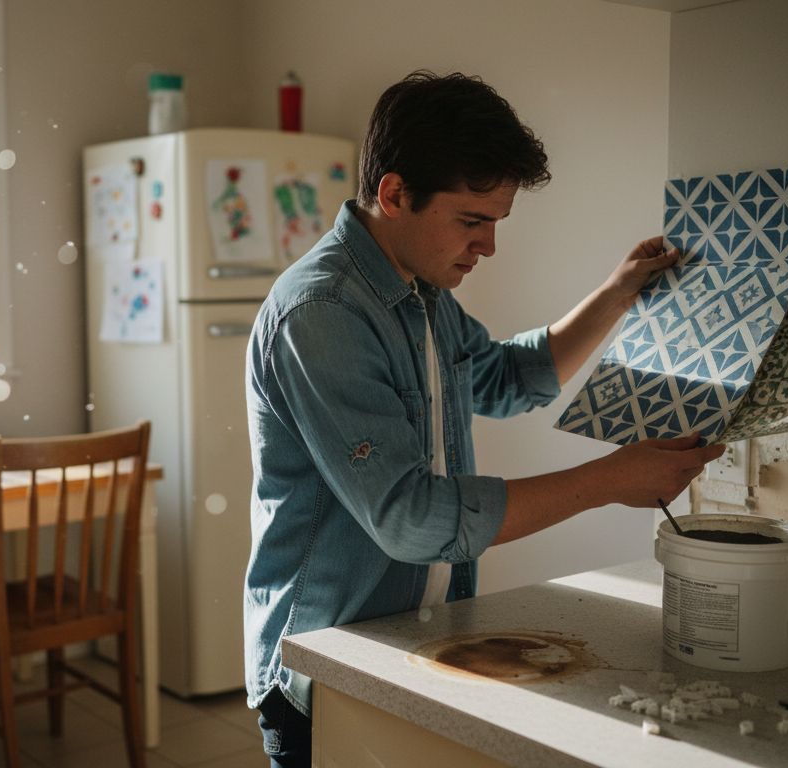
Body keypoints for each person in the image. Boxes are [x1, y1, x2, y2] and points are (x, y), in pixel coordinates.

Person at [243, 70, 726, 767]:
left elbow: (504, 379)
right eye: (472, 221)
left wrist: (617, 295)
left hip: (411, 637)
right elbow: (411, 519)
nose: (489, 246)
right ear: (394, 194)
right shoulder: (323, 315)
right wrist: (610, 479)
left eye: (496, 223)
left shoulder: (421, 289)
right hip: (327, 659)